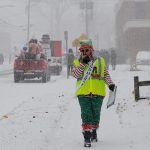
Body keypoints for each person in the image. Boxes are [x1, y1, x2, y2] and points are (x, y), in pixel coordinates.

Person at [72, 39, 115, 147]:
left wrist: (110, 84)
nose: (85, 52)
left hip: (98, 93)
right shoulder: (77, 62)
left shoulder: (100, 61)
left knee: (95, 115)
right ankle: (87, 137)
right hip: (83, 93)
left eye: (87, 50)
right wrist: (83, 64)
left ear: (92, 50)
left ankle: (93, 130)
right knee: (86, 114)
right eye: (83, 50)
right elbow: (76, 75)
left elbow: (105, 75)